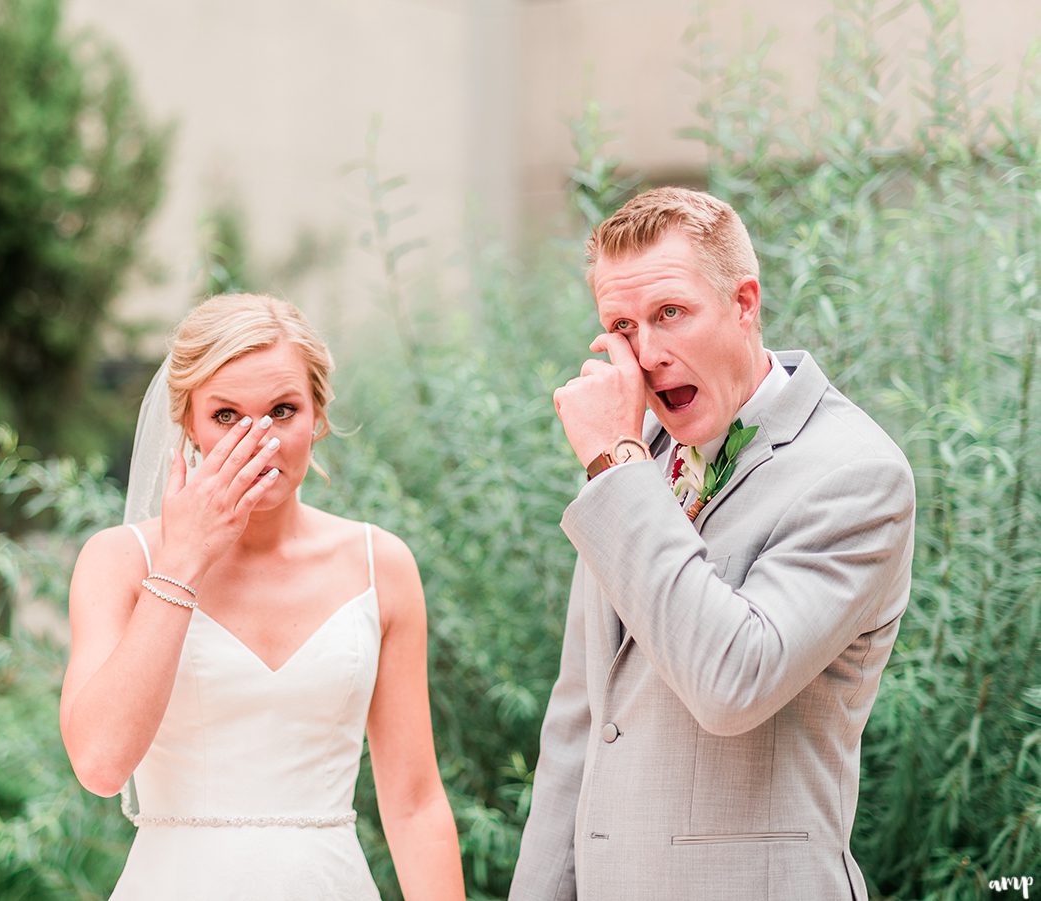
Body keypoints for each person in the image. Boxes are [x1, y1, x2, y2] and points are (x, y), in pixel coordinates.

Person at [509, 187, 915, 900]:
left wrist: (617, 465)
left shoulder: (856, 474)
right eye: (622, 326)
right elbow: (581, 717)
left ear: (745, 302)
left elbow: (733, 681)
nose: (650, 354)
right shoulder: (636, 460)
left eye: (670, 313)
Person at [60, 293, 465, 900]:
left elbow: (414, 804)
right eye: (226, 415)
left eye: (282, 410)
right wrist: (183, 562)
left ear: (317, 416)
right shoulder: (118, 562)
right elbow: (99, 764)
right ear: (189, 424)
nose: (260, 441)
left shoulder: (381, 566)